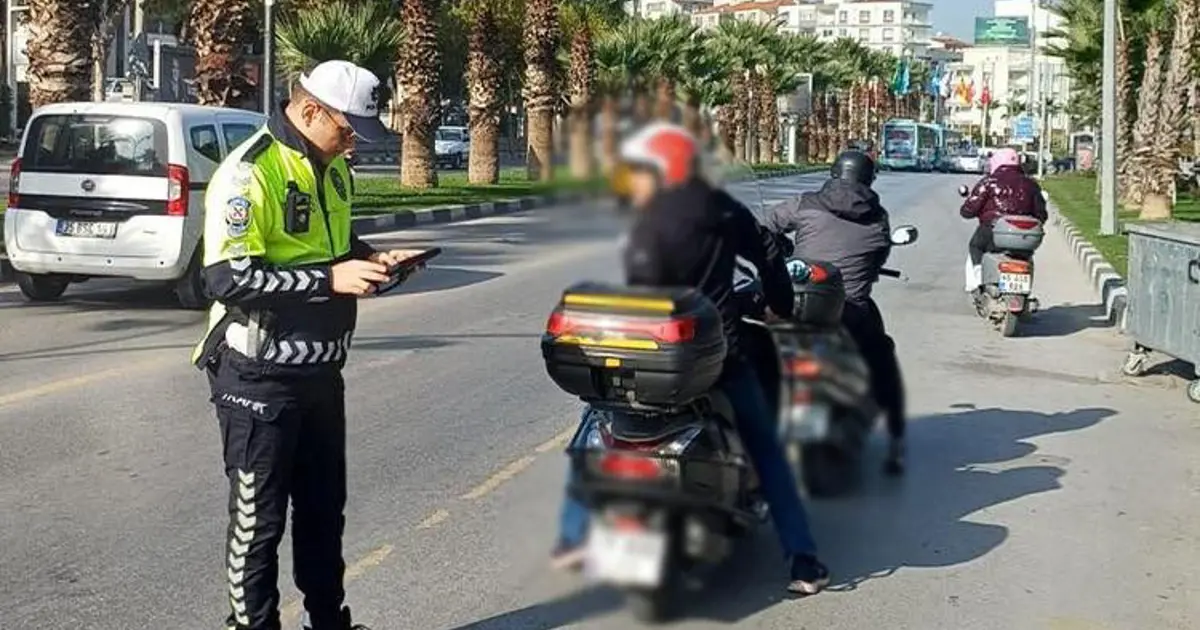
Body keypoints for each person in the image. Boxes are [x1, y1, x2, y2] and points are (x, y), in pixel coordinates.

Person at [191, 60, 429, 630]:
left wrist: (372, 259)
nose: (352, 144)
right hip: (257, 377)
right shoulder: (250, 173)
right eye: (347, 130)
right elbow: (227, 278)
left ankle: (328, 622)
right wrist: (329, 280)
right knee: (258, 522)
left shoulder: (334, 168)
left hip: (321, 374)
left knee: (324, 513)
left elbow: (332, 238)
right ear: (310, 109)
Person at [549, 122, 831, 596]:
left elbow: (639, 281)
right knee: (766, 447)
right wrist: (779, 304)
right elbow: (767, 253)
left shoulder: (646, 216)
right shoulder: (721, 209)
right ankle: (802, 562)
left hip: (646, 350)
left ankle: (574, 534)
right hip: (719, 350)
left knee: (595, 419)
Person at [759, 150, 907, 475]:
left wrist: (780, 250)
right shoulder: (877, 217)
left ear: (834, 171)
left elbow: (765, 227)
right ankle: (895, 441)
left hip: (793, 304)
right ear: (869, 178)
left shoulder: (806, 203)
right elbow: (877, 260)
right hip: (849, 308)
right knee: (883, 356)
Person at [959, 147, 1048, 293]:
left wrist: (969, 210)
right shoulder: (1031, 184)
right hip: (1024, 235)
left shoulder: (989, 182)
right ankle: (1026, 289)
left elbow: (969, 210)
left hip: (992, 230)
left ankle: (976, 283)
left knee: (975, 247)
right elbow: (1042, 215)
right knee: (1027, 257)